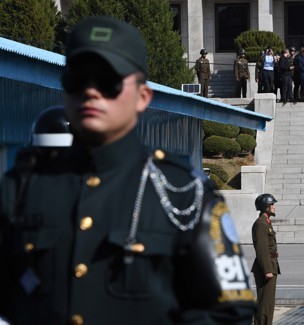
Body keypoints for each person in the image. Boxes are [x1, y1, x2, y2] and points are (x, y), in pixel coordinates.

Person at [0, 16, 255, 324]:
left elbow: (230, 314)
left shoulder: (184, 193)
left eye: (108, 81)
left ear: (143, 96)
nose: (91, 91)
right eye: (78, 79)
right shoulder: (23, 187)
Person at [252, 194, 280, 325]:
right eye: (272, 204)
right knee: (264, 303)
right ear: (265, 206)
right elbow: (261, 249)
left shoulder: (266, 222)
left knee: (268, 303)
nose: (274, 207)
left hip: (271, 265)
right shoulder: (261, 224)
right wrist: (267, 270)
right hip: (266, 268)